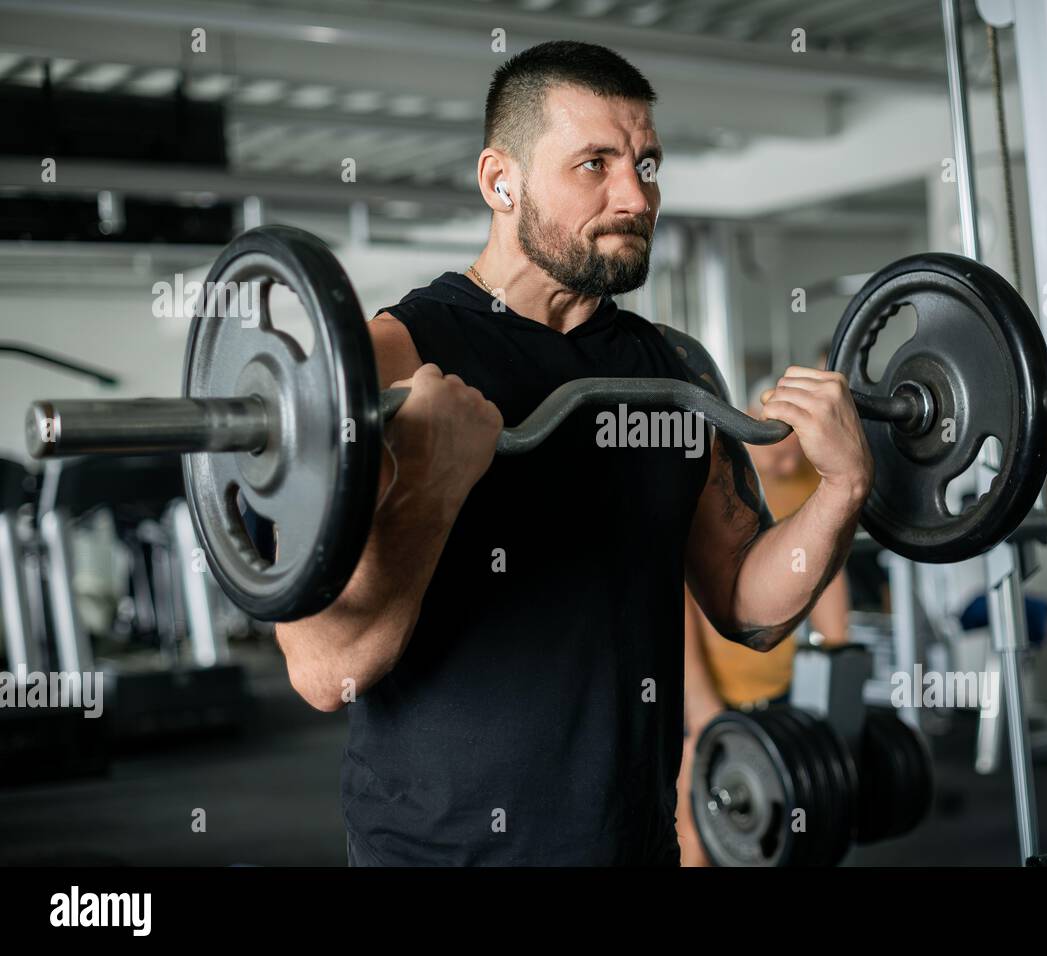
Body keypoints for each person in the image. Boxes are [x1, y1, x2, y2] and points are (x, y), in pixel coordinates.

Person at [275, 40, 873, 866]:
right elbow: (322, 669)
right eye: (595, 163)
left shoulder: (672, 369)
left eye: (647, 165)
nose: (635, 195)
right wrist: (434, 490)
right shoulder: (393, 361)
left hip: (633, 847)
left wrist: (843, 487)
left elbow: (744, 605)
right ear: (500, 180)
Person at [676, 375, 852, 867]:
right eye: (780, 450)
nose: (790, 462)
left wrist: (840, 656)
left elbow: (825, 573)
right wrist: (702, 711)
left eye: (799, 453)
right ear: (754, 421)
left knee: (778, 826)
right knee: (698, 830)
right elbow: (679, 601)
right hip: (709, 698)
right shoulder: (714, 474)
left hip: (777, 693)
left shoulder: (803, 474)